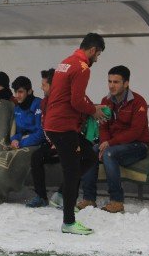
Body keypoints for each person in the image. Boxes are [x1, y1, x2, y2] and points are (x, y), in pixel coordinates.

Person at [44, 33, 108, 234]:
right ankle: (69, 222)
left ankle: (63, 195)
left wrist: (91, 106)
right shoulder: (82, 68)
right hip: (62, 126)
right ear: (92, 50)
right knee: (72, 172)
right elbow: (76, 102)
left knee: (89, 155)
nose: (96, 59)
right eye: (97, 55)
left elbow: (76, 96)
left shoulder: (66, 62)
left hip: (55, 124)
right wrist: (93, 111)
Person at [78, 65, 149, 213]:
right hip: (114, 145)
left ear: (126, 83)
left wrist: (109, 143)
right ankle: (89, 199)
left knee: (109, 153)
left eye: (116, 82)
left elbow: (135, 132)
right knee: (90, 151)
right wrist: (105, 142)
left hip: (137, 146)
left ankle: (117, 201)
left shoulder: (138, 102)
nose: (111, 85)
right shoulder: (106, 100)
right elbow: (103, 126)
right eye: (109, 81)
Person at [25, 69, 63, 208]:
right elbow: (44, 126)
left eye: (44, 85)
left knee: (73, 159)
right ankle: (41, 196)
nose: (41, 87)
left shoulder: (64, 101)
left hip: (68, 142)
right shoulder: (44, 103)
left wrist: (59, 142)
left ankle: (62, 195)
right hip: (52, 142)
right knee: (36, 156)